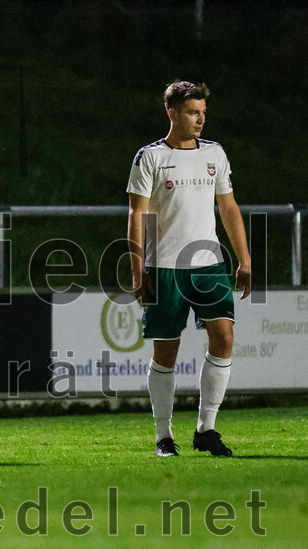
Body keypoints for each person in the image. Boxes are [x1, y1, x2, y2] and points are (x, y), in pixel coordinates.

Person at [127, 81, 251, 458]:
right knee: (167, 352)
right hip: (164, 266)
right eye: (192, 112)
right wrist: (138, 269)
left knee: (224, 338)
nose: (200, 119)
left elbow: (228, 208)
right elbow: (137, 214)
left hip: (208, 264)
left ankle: (206, 429)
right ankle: (164, 437)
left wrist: (243, 259)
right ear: (172, 113)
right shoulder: (149, 157)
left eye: (203, 113)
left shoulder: (214, 153)